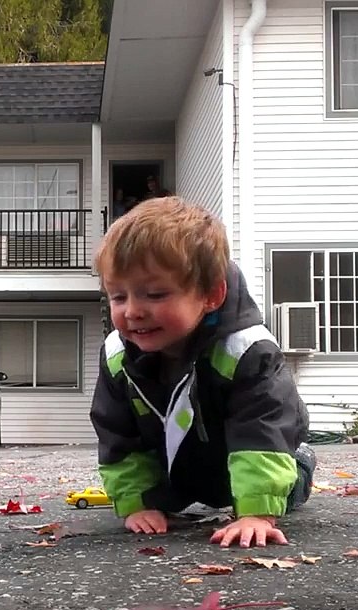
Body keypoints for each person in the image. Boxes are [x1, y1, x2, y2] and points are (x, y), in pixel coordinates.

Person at [89, 196, 316, 549]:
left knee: (287, 485)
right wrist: (136, 504)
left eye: (155, 294)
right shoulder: (118, 355)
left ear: (211, 295)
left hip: (248, 453)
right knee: (155, 493)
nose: (133, 311)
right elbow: (117, 434)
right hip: (178, 465)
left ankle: (294, 467)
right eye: (118, 297)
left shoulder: (247, 350)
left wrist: (257, 512)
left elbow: (262, 428)